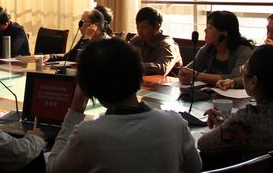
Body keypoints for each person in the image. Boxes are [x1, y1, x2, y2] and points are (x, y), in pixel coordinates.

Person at [47, 39, 202, 173]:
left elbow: (53, 169)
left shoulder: (87, 135)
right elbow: (195, 167)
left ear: (87, 86)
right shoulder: (175, 124)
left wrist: (75, 110)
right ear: (139, 74)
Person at [198, 46, 273, 173]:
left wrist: (225, 128)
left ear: (254, 82)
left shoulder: (249, 118)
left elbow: (203, 144)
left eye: (243, 68)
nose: (242, 71)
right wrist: (227, 128)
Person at [179, 10, 254, 85]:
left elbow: (236, 77)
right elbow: (191, 68)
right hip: (208, 90)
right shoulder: (208, 47)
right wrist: (183, 73)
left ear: (224, 34)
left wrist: (198, 76)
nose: (205, 30)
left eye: (210, 28)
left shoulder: (243, 51)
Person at [128, 6, 182, 76]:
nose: (140, 31)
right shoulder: (138, 40)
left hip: (168, 82)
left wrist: (135, 66)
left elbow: (162, 68)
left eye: (145, 27)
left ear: (157, 27)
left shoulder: (167, 44)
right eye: (138, 27)